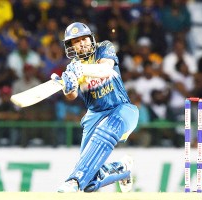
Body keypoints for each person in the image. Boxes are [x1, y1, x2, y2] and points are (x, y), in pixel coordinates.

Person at [54, 22, 139, 193]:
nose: (82, 43)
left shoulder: (104, 48)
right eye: (76, 41)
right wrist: (68, 87)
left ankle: (74, 181)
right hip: (94, 116)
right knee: (90, 182)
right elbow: (71, 96)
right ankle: (122, 169)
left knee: (105, 131)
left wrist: (81, 70)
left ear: (91, 38)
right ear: (71, 47)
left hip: (121, 109)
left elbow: (106, 69)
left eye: (84, 38)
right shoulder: (72, 68)